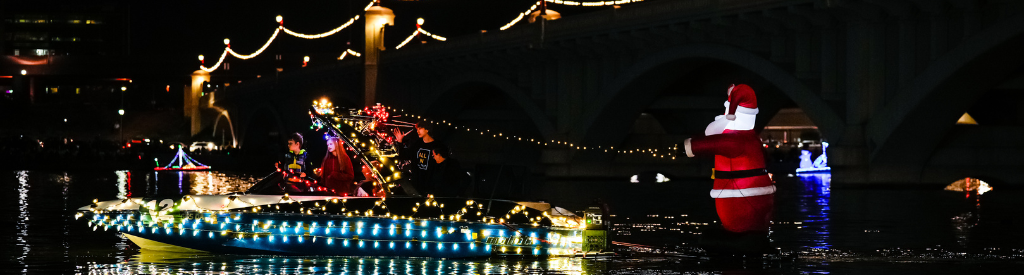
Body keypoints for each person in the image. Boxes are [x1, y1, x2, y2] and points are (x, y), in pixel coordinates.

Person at [393, 121, 445, 196]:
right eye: (417, 129)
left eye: (420, 128)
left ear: (427, 130)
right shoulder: (417, 144)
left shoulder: (437, 146)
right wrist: (400, 142)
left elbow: (440, 169)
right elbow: (405, 156)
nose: (418, 131)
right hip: (416, 183)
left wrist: (432, 190)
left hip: (429, 186)